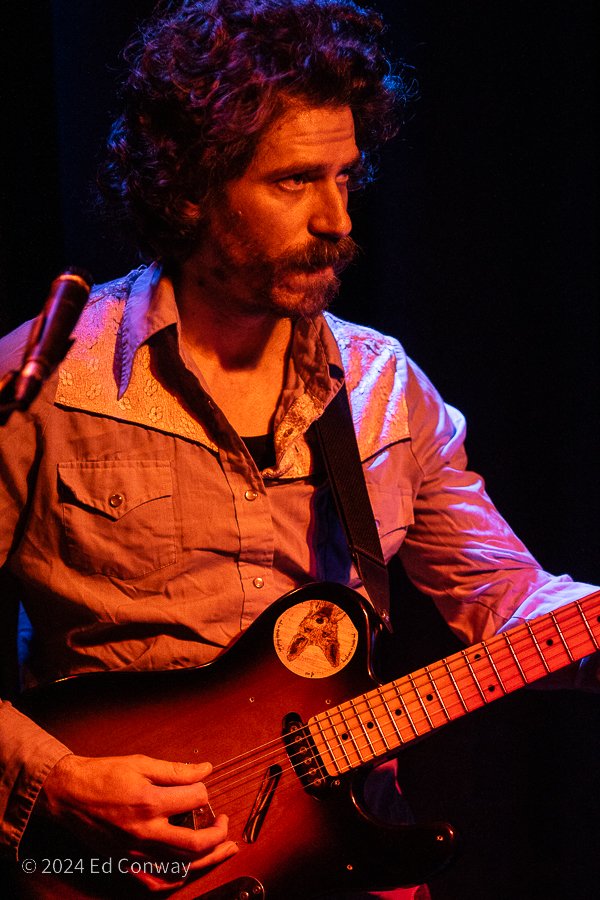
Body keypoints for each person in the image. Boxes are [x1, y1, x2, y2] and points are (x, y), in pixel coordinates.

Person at [0, 1, 597, 897]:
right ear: (189, 188)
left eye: (345, 177)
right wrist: (54, 782)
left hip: (350, 863)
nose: (336, 219)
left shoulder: (384, 386)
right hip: (109, 870)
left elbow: (505, 598)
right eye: (294, 181)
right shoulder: (48, 380)